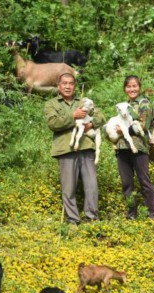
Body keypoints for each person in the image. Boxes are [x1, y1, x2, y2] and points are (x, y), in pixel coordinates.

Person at [45, 73, 105, 225]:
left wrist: (92, 124)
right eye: (64, 83)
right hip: (65, 150)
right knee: (69, 188)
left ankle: (92, 218)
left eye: (71, 83)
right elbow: (53, 124)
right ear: (58, 86)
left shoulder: (83, 102)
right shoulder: (52, 104)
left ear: (75, 86)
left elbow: (101, 117)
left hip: (86, 148)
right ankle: (73, 220)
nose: (67, 86)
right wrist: (73, 116)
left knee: (91, 185)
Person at [114, 75, 154, 220]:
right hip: (122, 147)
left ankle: (153, 214)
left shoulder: (144, 104)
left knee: (144, 181)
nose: (132, 89)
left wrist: (124, 131)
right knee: (127, 183)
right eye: (128, 86)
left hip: (139, 147)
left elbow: (144, 125)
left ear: (139, 88)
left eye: (134, 86)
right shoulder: (123, 105)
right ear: (125, 89)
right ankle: (131, 214)